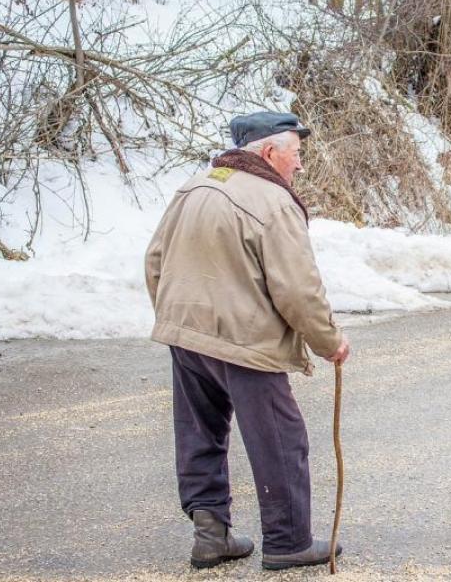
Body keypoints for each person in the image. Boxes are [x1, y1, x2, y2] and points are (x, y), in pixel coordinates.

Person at [145, 111, 350, 570]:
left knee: (200, 433)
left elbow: (155, 259)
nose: (299, 166)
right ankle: (289, 542)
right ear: (270, 152)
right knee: (281, 438)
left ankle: (211, 535)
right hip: (243, 340)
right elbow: (297, 288)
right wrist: (328, 340)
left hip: (186, 332)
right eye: (296, 154)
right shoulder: (273, 202)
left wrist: (175, 316)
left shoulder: (195, 186)